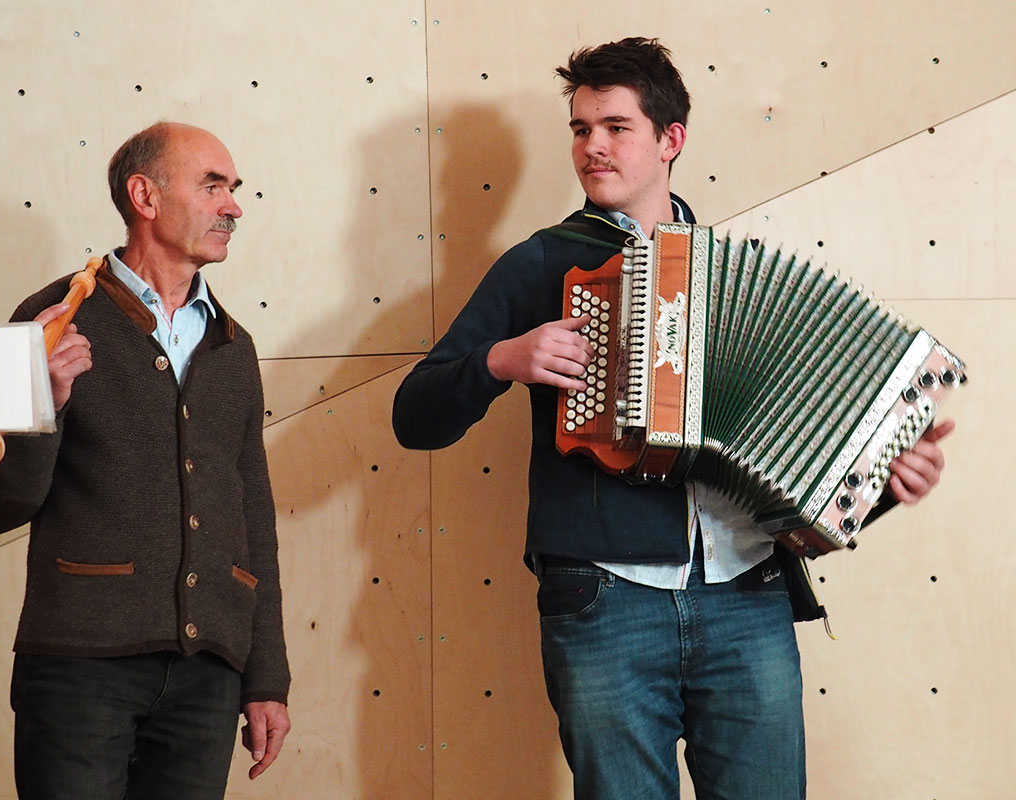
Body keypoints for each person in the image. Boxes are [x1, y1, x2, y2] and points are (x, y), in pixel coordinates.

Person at [391, 39, 951, 800]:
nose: (593, 147)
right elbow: (415, 416)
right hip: (607, 600)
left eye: (616, 127)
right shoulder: (542, 263)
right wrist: (502, 360)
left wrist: (887, 480)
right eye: (581, 129)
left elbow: (803, 464)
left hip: (748, 595)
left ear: (670, 140)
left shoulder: (734, 272)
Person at [0, 122, 290, 800]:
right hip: (82, 667)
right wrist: (42, 404)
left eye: (233, 190)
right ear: (144, 195)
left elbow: (252, 512)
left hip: (208, 674)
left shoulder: (234, 346)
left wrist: (266, 679)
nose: (233, 206)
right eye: (212, 186)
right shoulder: (51, 319)